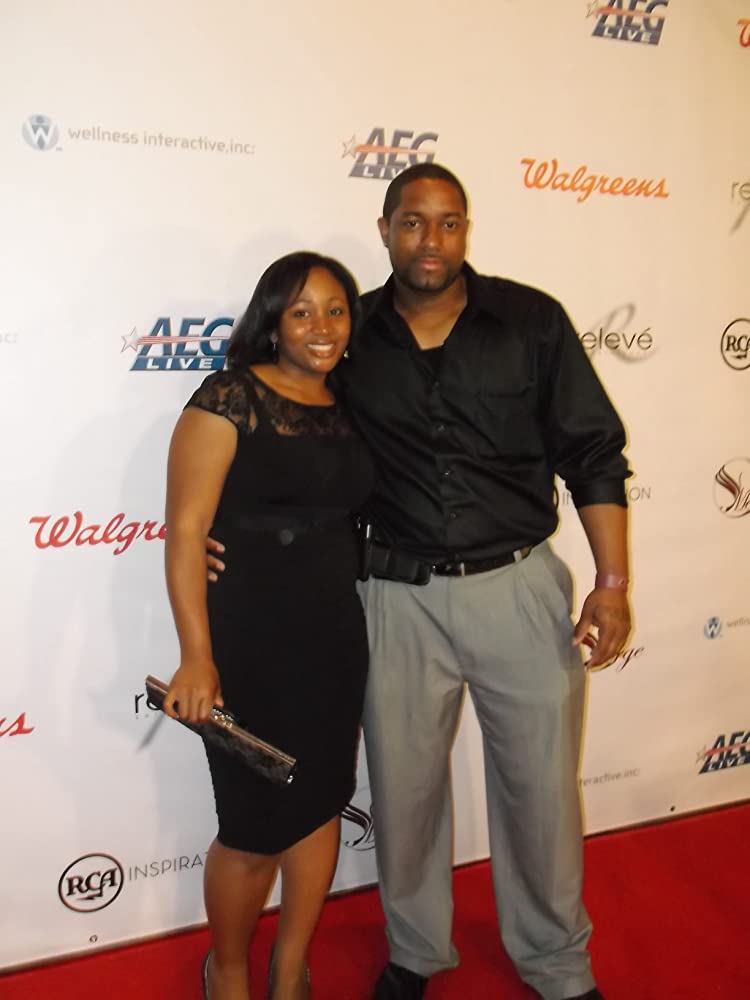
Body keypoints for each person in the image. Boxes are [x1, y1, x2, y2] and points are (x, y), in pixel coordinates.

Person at [208, 164, 631, 1000]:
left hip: (517, 589)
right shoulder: (347, 335)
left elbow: (593, 453)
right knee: (404, 794)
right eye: (412, 222)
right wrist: (216, 538)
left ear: (466, 228)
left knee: (542, 791)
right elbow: (280, 435)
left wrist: (611, 581)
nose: (430, 240)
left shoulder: (532, 321)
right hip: (394, 597)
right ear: (385, 229)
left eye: (447, 222)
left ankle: (555, 960)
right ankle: (415, 950)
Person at [163, 251, 373, 1000]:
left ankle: (289, 968)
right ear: (273, 321)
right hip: (247, 643)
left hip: (334, 638)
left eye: (336, 310)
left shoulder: (353, 402)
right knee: (252, 828)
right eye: (302, 311)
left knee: (318, 804)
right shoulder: (229, 396)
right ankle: (226, 966)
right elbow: (186, 532)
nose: (322, 327)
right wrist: (197, 656)